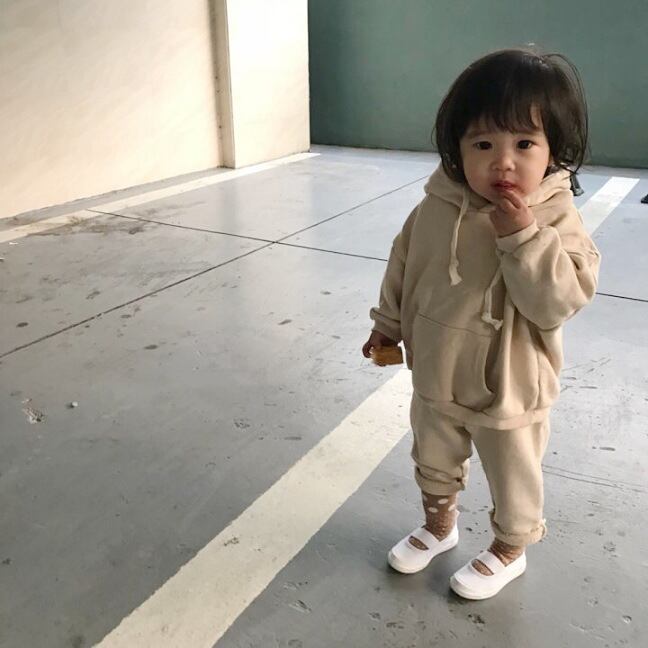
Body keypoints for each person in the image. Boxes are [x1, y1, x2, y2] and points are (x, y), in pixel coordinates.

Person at [362, 48, 601, 600]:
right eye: (483, 144)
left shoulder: (555, 217)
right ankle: (439, 526)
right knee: (433, 454)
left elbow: (558, 302)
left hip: (511, 383)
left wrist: (523, 237)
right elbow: (405, 266)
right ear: (457, 148)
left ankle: (510, 547)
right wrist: (387, 323)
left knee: (513, 471)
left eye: (525, 144)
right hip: (438, 369)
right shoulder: (435, 207)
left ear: (553, 149)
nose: (503, 163)